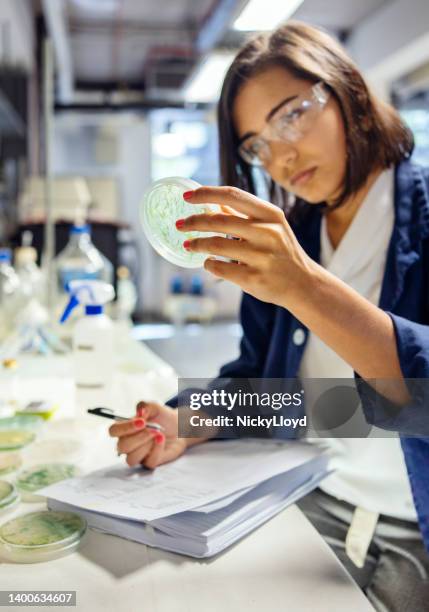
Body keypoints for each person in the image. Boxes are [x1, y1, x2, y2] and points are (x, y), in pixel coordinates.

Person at [109, 22, 429, 611]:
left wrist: (305, 287)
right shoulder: (295, 236)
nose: (278, 156)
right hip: (313, 494)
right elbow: (294, 396)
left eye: (290, 116)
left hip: (413, 529)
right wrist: (188, 418)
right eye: (254, 144)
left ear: (346, 90)